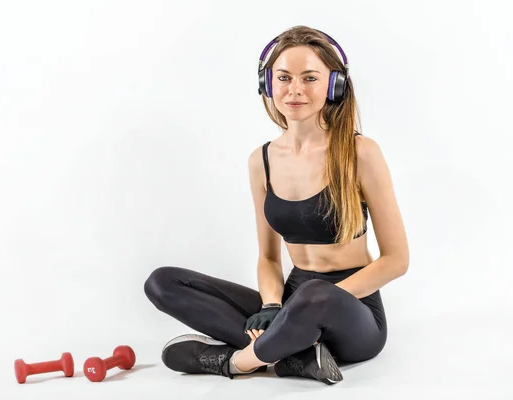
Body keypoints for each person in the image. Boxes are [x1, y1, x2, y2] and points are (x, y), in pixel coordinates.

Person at [143, 25, 409, 384]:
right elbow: (269, 258)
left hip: (353, 310)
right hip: (291, 300)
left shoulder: (361, 153)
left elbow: (396, 260)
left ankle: (236, 362)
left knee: (315, 295)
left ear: (334, 85)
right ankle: (298, 356)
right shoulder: (261, 161)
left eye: (310, 78)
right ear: (267, 83)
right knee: (162, 282)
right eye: (284, 77)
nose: (295, 89)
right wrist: (272, 307)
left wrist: (300, 308)